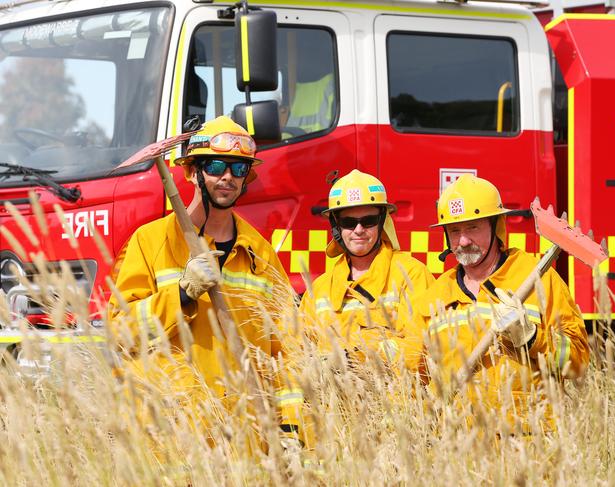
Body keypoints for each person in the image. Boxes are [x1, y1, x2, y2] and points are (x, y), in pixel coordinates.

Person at [109, 116, 307, 448]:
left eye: (238, 169)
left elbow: (287, 352)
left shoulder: (260, 253)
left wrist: (291, 432)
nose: (227, 176)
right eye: (215, 165)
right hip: (172, 439)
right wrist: (181, 295)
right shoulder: (151, 241)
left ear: (247, 179)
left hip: (246, 444)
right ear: (192, 172)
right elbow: (119, 334)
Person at [404, 174, 589, 432]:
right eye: (454, 231)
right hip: (458, 453)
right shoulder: (434, 298)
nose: (463, 240)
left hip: (530, 449)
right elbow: (410, 378)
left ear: (496, 226)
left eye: (473, 227)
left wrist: (532, 337)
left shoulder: (538, 280)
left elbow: (578, 363)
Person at [299, 169, 434, 366]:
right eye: (348, 222)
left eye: (369, 221)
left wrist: (355, 359)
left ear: (382, 221)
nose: (359, 230)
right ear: (336, 226)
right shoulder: (319, 288)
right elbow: (296, 350)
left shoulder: (412, 275)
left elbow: (419, 345)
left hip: (392, 395)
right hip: (329, 396)